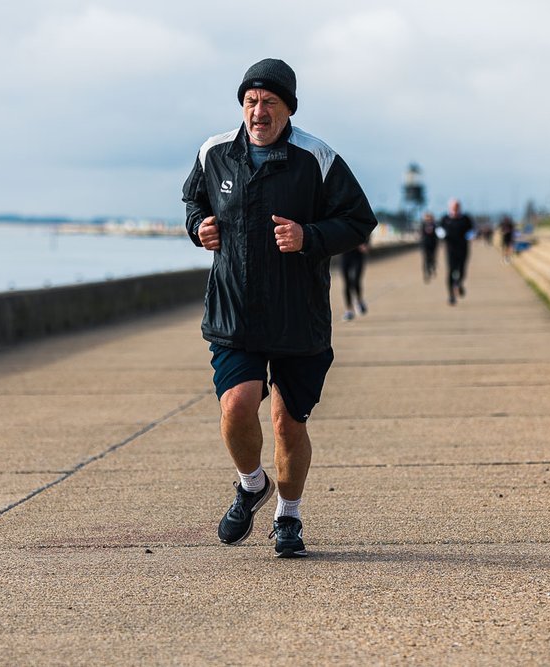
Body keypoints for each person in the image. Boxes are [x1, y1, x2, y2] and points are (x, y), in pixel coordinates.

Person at [183, 58, 377, 558]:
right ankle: (251, 484)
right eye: (250, 101)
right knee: (236, 406)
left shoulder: (318, 158)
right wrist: (199, 226)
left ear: (289, 108)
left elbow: (358, 221)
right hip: (235, 311)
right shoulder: (214, 152)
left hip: (298, 316)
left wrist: (309, 236)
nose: (258, 110)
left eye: (269, 102)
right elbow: (193, 202)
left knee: (288, 423)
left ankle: (288, 516)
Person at [439, 198, 474, 305]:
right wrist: (442, 235)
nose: (455, 208)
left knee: (462, 270)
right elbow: (439, 230)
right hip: (450, 249)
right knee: (450, 271)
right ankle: (451, 296)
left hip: (463, 249)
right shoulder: (445, 219)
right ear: (450, 207)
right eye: (453, 206)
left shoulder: (465, 218)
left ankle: (458, 284)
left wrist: (470, 236)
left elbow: (472, 230)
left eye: (457, 206)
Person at [341, 243, 369, 321]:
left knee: (356, 280)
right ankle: (349, 310)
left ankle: (359, 301)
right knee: (347, 283)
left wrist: (365, 244)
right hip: (345, 254)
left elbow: (367, 233)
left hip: (358, 255)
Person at [419, 212, 438, 283]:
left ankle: (432, 268)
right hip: (425, 244)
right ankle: (426, 273)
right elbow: (421, 234)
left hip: (433, 244)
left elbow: (437, 234)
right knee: (426, 259)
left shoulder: (435, 225)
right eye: (427, 217)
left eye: (429, 217)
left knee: (432, 258)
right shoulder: (423, 225)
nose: (428, 219)